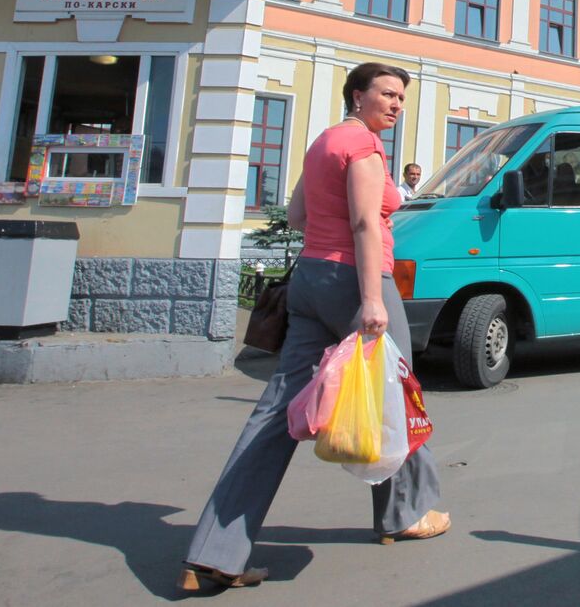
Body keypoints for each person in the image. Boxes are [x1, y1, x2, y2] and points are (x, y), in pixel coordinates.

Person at [180, 62, 449, 593]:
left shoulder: (324, 142)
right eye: (387, 95)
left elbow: (299, 214)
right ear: (358, 95)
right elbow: (366, 223)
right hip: (357, 281)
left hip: (310, 277)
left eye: (401, 98)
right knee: (395, 395)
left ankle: (215, 552)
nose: (395, 105)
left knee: (274, 413)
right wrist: (372, 297)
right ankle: (404, 514)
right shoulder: (367, 150)